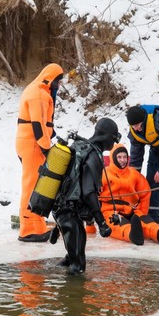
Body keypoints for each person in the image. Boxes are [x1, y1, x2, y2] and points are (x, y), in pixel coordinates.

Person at [51, 117, 120, 275]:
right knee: (78, 267)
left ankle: (49, 279)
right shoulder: (94, 156)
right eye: (114, 139)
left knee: (72, 257)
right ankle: (67, 295)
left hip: (62, 210)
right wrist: (101, 222)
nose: (114, 144)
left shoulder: (80, 147)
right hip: (69, 213)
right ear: (107, 137)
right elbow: (89, 192)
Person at [16, 63, 63, 242]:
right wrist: (46, 147)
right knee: (31, 185)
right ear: (50, 78)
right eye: (58, 81)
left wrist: (51, 134)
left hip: (28, 142)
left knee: (35, 185)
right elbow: (37, 125)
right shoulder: (39, 94)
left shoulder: (36, 90)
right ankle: (28, 228)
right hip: (32, 145)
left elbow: (41, 123)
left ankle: (36, 224)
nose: (58, 85)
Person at [99, 143, 159, 246]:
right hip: (111, 211)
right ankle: (132, 235)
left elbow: (145, 192)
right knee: (119, 224)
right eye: (119, 157)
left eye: (124, 157)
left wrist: (142, 212)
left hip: (132, 209)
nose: (122, 160)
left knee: (146, 222)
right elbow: (92, 195)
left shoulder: (133, 174)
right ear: (113, 158)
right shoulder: (103, 174)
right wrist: (91, 222)